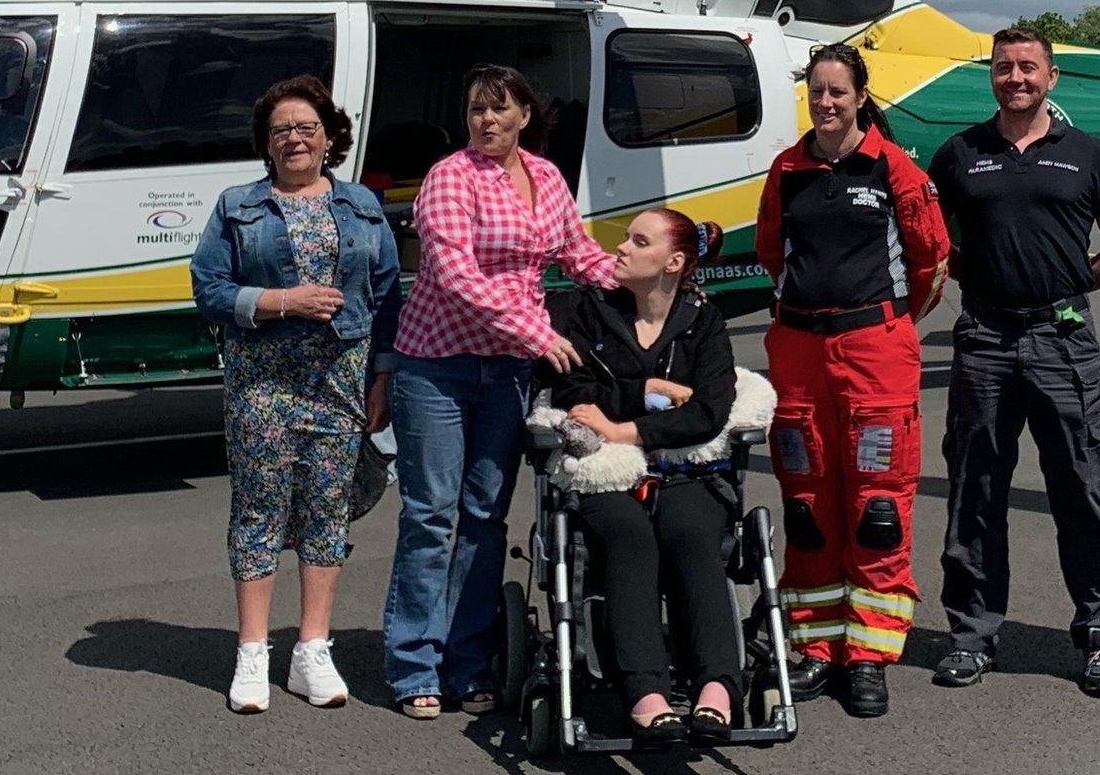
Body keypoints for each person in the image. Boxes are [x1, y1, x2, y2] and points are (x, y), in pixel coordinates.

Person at [383, 64, 618, 719]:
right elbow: (453, 272)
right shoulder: (448, 177)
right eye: (475, 110)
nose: (484, 121)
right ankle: (414, 667)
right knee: (431, 515)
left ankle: (468, 662)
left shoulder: (545, 177)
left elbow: (579, 254)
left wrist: (647, 275)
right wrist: (534, 332)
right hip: (439, 364)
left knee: (485, 518)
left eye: (497, 109)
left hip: (508, 369)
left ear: (523, 116)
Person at [927, 26, 1100, 698]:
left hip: (1061, 343)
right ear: (990, 76)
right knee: (975, 490)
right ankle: (971, 634)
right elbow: (935, 243)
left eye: (1028, 68)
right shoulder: (959, 154)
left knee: (1080, 490)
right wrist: (978, 280)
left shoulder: (1088, 154)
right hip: (985, 340)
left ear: (1052, 78)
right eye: (1004, 68)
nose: (1015, 77)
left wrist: (1066, 290)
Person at [191, 75, 401, 715]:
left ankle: (313, 650)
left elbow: (389, 294)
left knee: (326, 516)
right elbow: (208, 289)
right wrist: (282, 301)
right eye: (280, 129)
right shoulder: (237, 205)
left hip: (339, 384)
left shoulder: (363, 206)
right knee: (257, 514)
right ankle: (252, 654)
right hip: (261, 386)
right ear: (266, 142)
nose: (293, 138)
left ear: (329, 136)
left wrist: (383, 374)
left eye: (306, 127)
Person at [753, 43, 950, 719]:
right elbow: (772, 250)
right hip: (800, 347)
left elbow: (929, 263)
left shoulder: (894, 170)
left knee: (877, 503)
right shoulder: (787, 169)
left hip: (876, 350)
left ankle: (868, 655)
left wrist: (882, 324)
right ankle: (813, 645)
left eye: (838, 91)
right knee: (806, 498)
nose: (827, 103)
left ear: (862, 96)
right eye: (817, 93)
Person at [538, 209, 739, 742]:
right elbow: (570, 390)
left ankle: (717, 687)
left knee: (692, 530)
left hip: (680, 470)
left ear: (673, 262)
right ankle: (645, 691)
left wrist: (624, 426)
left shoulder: (704, 319)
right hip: (604, 474)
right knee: (627, 534)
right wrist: (657, 395)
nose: (620, 248)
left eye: (637, 241)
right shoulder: (589, 310)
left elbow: (711, 410)